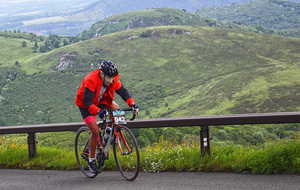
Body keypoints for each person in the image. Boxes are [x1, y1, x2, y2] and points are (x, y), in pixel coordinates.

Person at [75, 59, 139, 173]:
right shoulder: (91, 80)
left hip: (101, 101)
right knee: (94, 131)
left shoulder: (113, 79)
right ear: (101, 74)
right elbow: (88, 102)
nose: (110, 81)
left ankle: (108, 133)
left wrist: (132, 104)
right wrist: (98, 111)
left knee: (116, 109)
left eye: (112, 78)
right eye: (108, 77)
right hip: (85, 105)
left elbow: (123, 92)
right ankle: (91, 160)